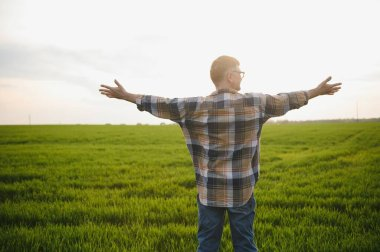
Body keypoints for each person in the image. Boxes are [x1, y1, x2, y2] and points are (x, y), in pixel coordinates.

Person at [99, 55, 342, 252]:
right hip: (242, 191)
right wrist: (316, 91)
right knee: (245, 245)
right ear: (230, 75)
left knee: (207, 246)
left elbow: (161, 103)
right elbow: (286, 100)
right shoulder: (255, 103)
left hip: (209, 192)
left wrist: (127, 96)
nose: (241, 76)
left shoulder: (195, 106)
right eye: (240, 72)